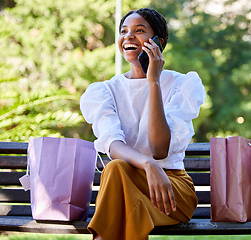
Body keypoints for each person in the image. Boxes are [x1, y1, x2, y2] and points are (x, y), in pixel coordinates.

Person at [80, 8, 206, 240]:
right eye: (124, 31)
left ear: (159, 41)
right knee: (117, 170)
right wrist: (148, 165)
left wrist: (154, 82)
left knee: (116, 175)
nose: (128, 36)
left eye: (139, 31)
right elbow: (113, 145)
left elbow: (160, 149)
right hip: (126, 185)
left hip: (171, 190)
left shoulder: (181, 84)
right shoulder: (106, 91)